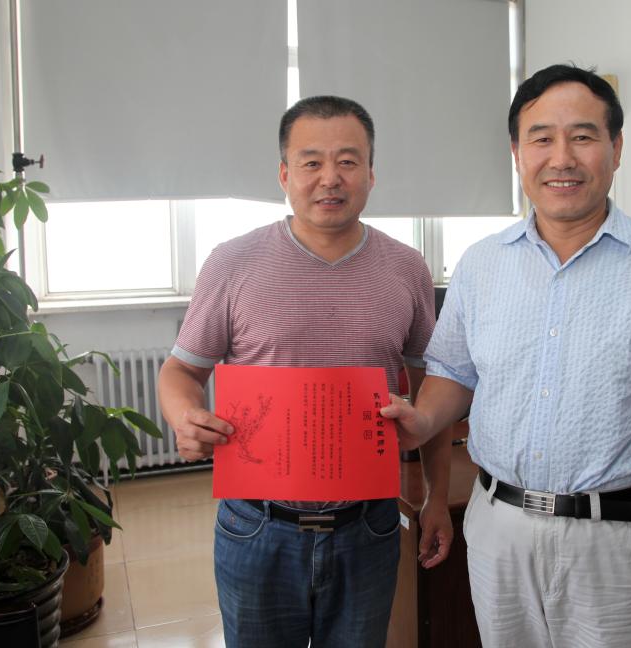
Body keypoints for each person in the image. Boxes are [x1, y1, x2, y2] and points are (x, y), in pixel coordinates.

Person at [381, 64, 631, 648]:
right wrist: (422, 421)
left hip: (615, 540)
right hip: (498, 529)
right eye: (541, 138)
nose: (562, 158)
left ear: (616, 149)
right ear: (516, 154)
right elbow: (454, 374)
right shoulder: (482, 264)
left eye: (582, 136)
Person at [158, 95, 453, 648]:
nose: (330, 178)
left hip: (368, 526)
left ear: (371, 173)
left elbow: (431, 389)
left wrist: (437, 496)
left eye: (348, 161)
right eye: (311, 162)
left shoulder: (406, 267)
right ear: (284, 174)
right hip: (257, 527)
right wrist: (184, 416)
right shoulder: (233, 263)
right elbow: (180, 372)